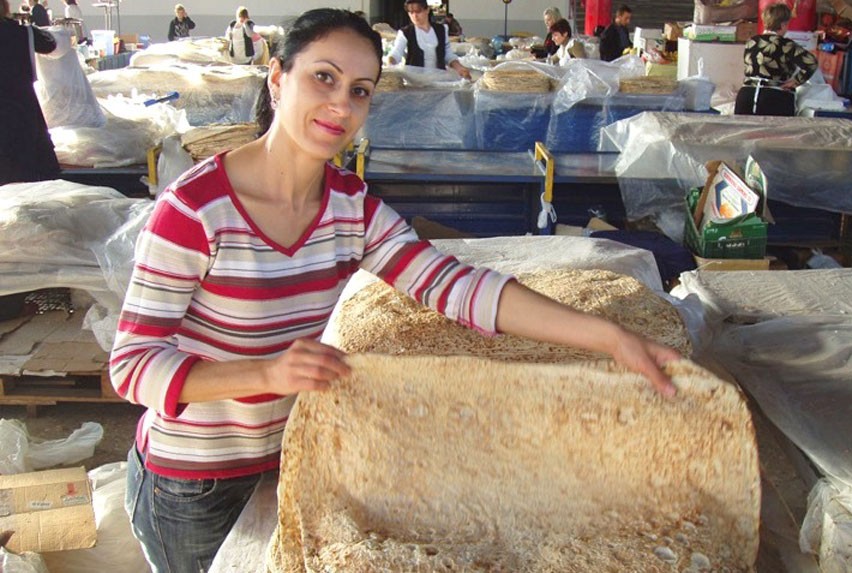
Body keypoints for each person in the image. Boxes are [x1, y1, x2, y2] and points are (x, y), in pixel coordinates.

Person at [110, 8, 679, 571]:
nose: (341, 105)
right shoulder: (196, 209)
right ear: (278, 78)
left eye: (360, 90)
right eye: (323, 77)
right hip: (193, 484)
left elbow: (454, 286)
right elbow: (132, 366)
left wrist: (609, 339)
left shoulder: (349, 206)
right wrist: (266, 374)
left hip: (295, 458)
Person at [0, 0, 60, 185]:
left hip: (16, 107)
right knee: (25, 166)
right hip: (20, 108)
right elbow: (50, 43)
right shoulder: (22, 32)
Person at [735, 2, 818, 116]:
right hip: (774, 98)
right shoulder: (786, 44)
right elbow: (811, 63)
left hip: (746, 96)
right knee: (776, 133)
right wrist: (796, 81)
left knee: (744, 132)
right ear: (783, 24)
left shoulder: (751, 42)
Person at [386, 0, 471, 80]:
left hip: (440, 80)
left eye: (418, 11)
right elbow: (396, 54)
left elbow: (448, 55)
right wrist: (390, 64)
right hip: (415, 83)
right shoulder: (405, 33)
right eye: (411, 12)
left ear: (427, 10)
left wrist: (460, 68)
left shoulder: (441, 30)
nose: (415, 16)